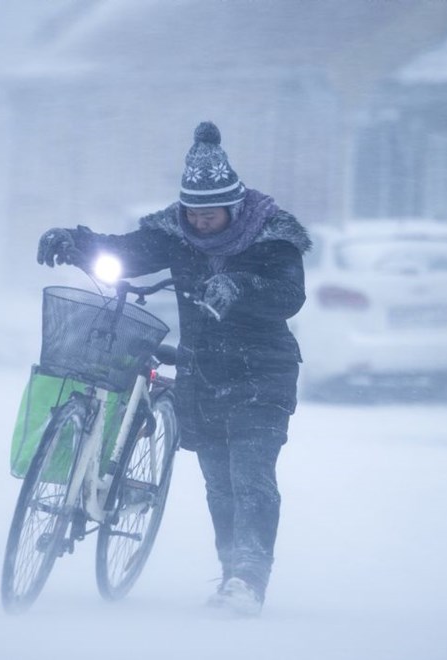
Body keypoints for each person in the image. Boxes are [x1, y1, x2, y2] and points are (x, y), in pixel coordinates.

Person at [36, 121, 310, 616]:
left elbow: (290, 295)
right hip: (203, 373)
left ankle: (248, 580)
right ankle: (232, 572)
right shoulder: (178, 234)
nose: (201, 223)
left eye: (211, 215)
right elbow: (126, 250)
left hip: (261, 372)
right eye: (193, 214)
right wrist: (76, 243)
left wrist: (241, 288)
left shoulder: (271, 238)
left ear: (234, 207)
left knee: (250, 475)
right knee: (219, 482)